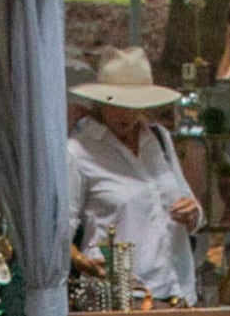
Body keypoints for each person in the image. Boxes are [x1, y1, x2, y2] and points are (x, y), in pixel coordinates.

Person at [66, 48, 202, 301]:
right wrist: (82, 262)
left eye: (133, 105)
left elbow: (187, 201)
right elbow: (59, 232)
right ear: (101, 102)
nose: (125, 114)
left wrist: (192, 213)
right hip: (118, 295)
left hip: (177, 290)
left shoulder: (159, 139)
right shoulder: (79, 151)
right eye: (116, 104)